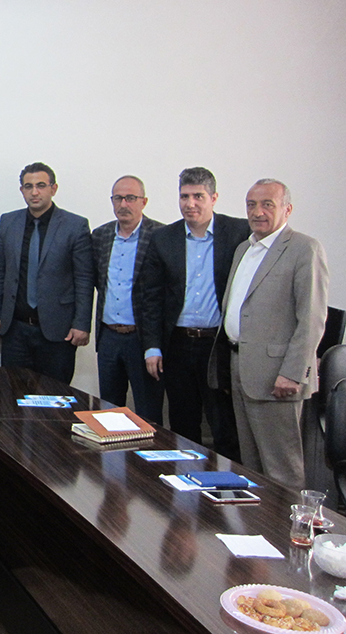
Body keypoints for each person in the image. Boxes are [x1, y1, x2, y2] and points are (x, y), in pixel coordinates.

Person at [211, 179, 328, 488]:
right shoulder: (244, 249)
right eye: (251, 205)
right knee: (252, 465)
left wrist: (293, 373)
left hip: (278, 376)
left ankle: (288, 520)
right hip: (241, 367)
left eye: (267, 205)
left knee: (281, 469)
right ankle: (260, 518)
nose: (257, 212)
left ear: (287, 210)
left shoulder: (304, 249)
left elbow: (312, 318)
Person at [139, 167, 250, 459]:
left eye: (198, 196)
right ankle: (186, 482)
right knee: (182, 423)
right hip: (177, 343)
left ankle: (227, 484)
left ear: (214, 198)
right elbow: (151, 297)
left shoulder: (238, 232)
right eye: (184, 196)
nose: (190, 204)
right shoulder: (164, 238)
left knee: (224, 425)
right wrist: (152, 346)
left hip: (218, 345)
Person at [0, 162, 93, 384]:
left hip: (58, 331)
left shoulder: (75, 225)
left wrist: (81, 323)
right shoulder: (8, 222)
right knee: (11, 393)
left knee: (55, 395)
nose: (34, 192)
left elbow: (84, 278)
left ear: (53, 189)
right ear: (22, 190)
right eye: (28, 186)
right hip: (15, 329)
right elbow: (0, 272)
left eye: (41, 185)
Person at [91, 175, 165, 421]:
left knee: (148, 412)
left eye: (131, 198)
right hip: (109, 336)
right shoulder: (100, 236)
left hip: (142, 338)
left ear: (144, 201)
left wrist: (155, 343)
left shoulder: (161, 235)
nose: (124, 204)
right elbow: (94, 280)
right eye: (118, 198)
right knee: (109, 412)